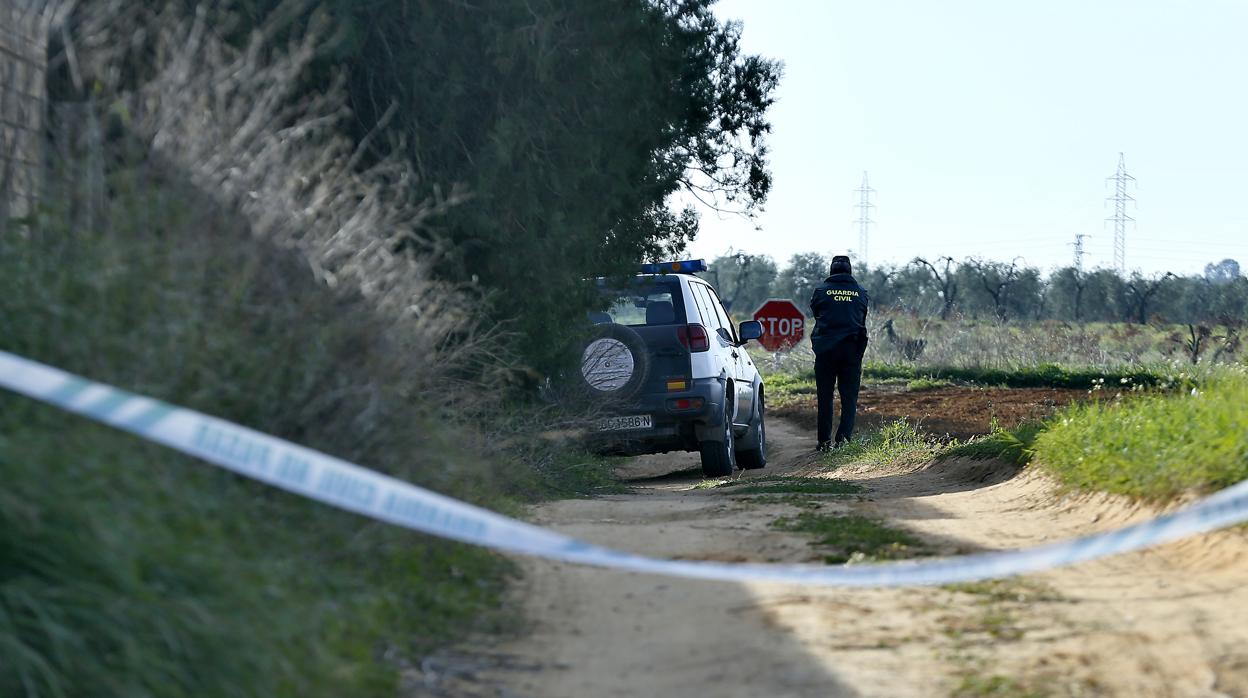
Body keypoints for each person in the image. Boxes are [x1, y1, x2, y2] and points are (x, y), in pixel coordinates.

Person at [808, 255, 869, 452]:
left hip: (826, 351)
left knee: (825, 397)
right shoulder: (861, 293)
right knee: (849, 398)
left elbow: (816, 313)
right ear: (850, 271)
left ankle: (824, 442)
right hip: (852, 351)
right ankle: (843, 441)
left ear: (831, 270)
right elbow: (862, 316)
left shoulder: (821, 292)